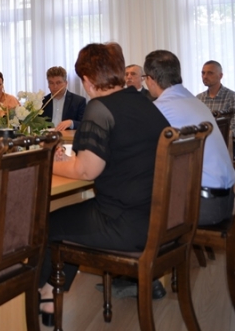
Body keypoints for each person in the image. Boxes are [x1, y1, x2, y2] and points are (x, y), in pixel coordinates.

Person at [38, 43, 170, 323]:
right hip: (158, 218)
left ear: (87, 80)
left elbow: (87, 170)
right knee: (70, 219)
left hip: (125, 223)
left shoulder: (99, 107)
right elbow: (116, 154)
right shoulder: (142, 101)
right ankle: (50, 291)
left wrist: (49, 162)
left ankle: (45, 294)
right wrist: (70, 162)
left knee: (46, 224)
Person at [144, 50, 235, 225]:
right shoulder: (195, 101)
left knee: (130, 206)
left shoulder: (160, 108)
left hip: (201, 206)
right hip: (226, 199)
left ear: (150, 79)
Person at [197, 60, 235, 138]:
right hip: (203, 141)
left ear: (220, 76)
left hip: (225, 142)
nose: (205, 76)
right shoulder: (199, 98)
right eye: (203, 73)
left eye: (210, 73)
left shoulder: (232, 97)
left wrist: (215, 137)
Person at [40, 66, 86, 131]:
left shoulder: (79, 101)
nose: (55, 86)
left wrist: (71, 123)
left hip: (67, 136)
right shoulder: (42, 101)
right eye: (51, 83)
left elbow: (85, 124)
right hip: (46, 136)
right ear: (48, 85)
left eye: (58, 83)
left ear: (66, 83)